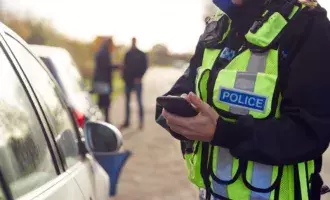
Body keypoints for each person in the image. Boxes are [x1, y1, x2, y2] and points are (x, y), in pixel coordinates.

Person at [155, 0, 330, 199]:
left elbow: (309, 133)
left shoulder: (309, 25)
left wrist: (222, 132)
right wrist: (176, 117)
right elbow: (183, 89)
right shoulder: (219, 25)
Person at [120, 37, 148, 130]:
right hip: (128, 81)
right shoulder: (127, 54)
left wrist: (139, 77)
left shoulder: (141, 54)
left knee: (139, 102)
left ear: (136, 42)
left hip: (137, 82)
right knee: (127, 103)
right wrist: (123, 78)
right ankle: (127, 121)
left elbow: (145, 66)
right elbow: (124, 66)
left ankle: (141, 122)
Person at [93, 38, 116, 123]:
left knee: (101, 101)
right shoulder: (105, 53)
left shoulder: (101, 52)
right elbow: (107, 67)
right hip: (104, 82)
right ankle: (104, 121)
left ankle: (102, 120)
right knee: (104, 102)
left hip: (100, 81)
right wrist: (116, 66)